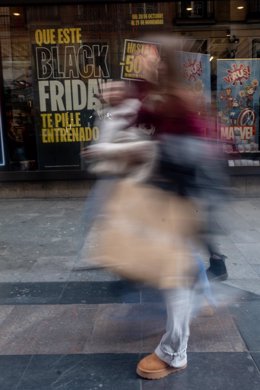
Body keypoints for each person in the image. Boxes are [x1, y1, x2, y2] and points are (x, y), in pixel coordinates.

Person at [82, 34, 228, 380]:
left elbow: (184, 151)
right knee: (168, 273)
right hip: (159, 199)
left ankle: (175, 352)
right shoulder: (152, 94)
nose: (140, 59)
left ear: (165, 62)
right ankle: (201, 297)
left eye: (148, 55)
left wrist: (123, 152)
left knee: (174, 278)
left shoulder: (179, 100)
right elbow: (135, 122)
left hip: (181, 200)